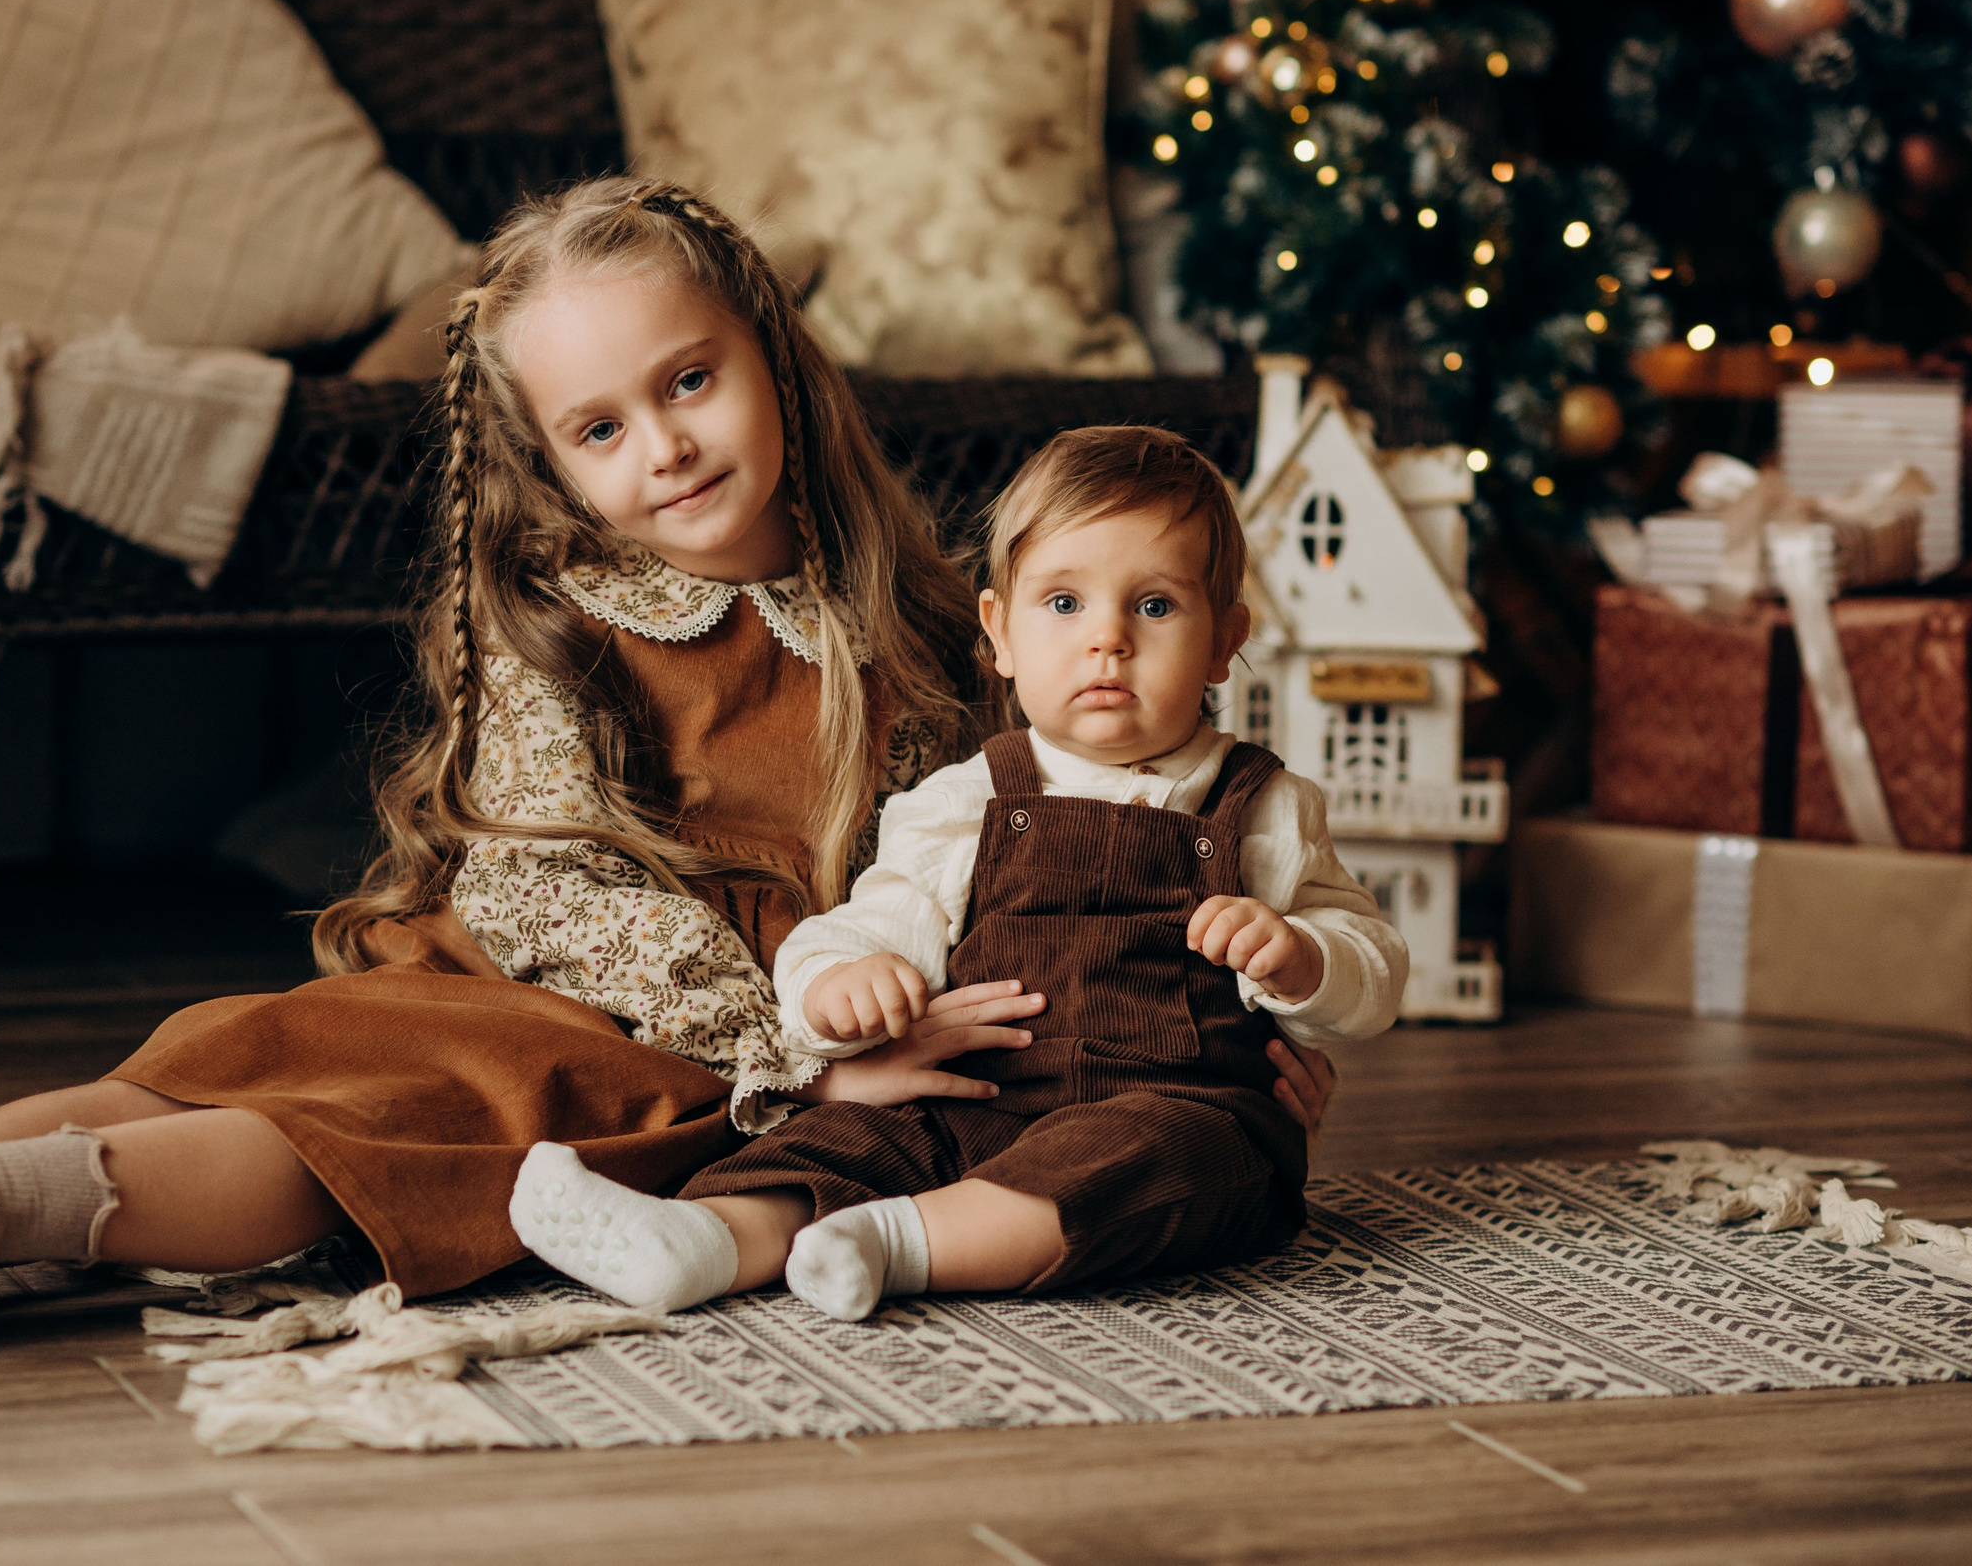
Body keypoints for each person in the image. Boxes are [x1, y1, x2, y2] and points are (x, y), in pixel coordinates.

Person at [0, 183, 1338, 1352]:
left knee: (367, 1133)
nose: (664, 444)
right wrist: (788, 1051)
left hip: (730, 1036)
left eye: (690, 380)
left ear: (770, 352)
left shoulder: (918, 617)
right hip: (613, 992)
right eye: (602, 426)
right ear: (548, 461)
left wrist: (1223, 1036)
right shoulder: (565, 618)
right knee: (254, 1061)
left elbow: (1048, 849)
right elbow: (537, 882)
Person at [510, 426, 1401, 1320]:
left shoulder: (1264, 806)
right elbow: (869, 923)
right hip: (975, 1099)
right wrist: (839, 987)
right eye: (1064, 602)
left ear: (1224, 641)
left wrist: (1304, 958)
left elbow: (1374, 965)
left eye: (1155, 605)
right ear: (1000, 631)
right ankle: (703, 1239)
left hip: (1172, 1102)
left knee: (1168, 1157)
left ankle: (898, 1242)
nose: (1108, 640)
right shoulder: (965, 800)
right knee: (848, 1137)